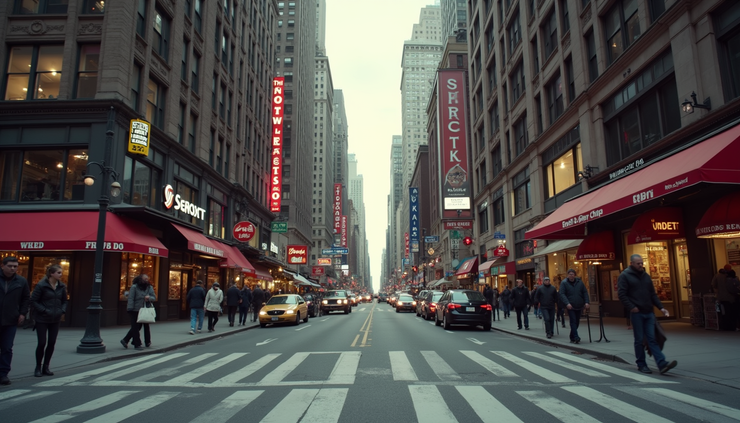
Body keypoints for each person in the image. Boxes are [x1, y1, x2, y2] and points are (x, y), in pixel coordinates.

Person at [618, 254, 677, 374]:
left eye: (641, 263)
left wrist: (661, 308)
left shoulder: (646, 276)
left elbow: (652, 294)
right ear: (632, 264)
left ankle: (662, 364)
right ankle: (641, 364)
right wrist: (632, 307)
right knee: (639, 340)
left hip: (649, 312)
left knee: (652, 339)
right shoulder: (625, 276)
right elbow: (622, 294)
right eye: (638, 263)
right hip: (637, 313)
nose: (641, 265)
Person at [30, 264, 67, 377]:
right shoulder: (42, 285)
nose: (61, 274)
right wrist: (44, 310)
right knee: (42, 343)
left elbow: (65, 300)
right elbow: (33, 301)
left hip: (55, 319)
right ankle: (38, 367)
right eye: (59, 272)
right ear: (52, 273)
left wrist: (62, 310)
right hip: (42, 318)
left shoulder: (61, 286)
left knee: (51, 343)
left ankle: (46, 366)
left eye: (61, 272)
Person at [0, 256, 30, 386]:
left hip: (11, 318)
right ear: (3, 266)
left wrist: (22, 313)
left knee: (7, 348)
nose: (13, 268)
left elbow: (26, 298)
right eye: (10, 266)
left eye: (15, 266)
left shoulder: (21, 281)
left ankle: (3, 374)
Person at [122, 274, 156, 350]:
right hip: (135, 309)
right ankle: (137, 344)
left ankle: (146, 341)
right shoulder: (134, 287)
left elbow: (154, 297)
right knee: (135, 327)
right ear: (140, 279)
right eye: (145, 279)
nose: (146, 280)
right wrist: (130, 308)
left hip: (145, 309)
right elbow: (131, 298)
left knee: (144, 326)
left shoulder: (149, 287)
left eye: (147, 279)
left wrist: (149, 298)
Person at [559, 269, 590, 344]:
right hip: (571, 305)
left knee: (577, 321)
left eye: (572, 274)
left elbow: (584, 292)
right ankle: (576, 337)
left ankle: (572, 336)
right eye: (570, 274)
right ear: (567, 275)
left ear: (575, 275)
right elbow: (562, 294)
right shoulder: (564, 283)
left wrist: (586, 302)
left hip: (579, 305)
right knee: (573, 321)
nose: (571, 275)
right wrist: (567, 303)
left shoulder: (580, 282)